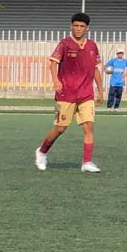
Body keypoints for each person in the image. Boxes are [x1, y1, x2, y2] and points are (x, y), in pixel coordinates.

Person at [35, 12, 102, 174]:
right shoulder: (65, 44)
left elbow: (95, 69)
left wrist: (100, 90)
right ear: (71, 26)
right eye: (76, 25)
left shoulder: (92, 46)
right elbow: (53, 63)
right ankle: (42, 152)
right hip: (66, 94)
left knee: (89, 127)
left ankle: (86, 162)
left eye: (82, 26)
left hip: (86, 94)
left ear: (87, 28)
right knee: (60, 129)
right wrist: (56, 80)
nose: (78, 29)